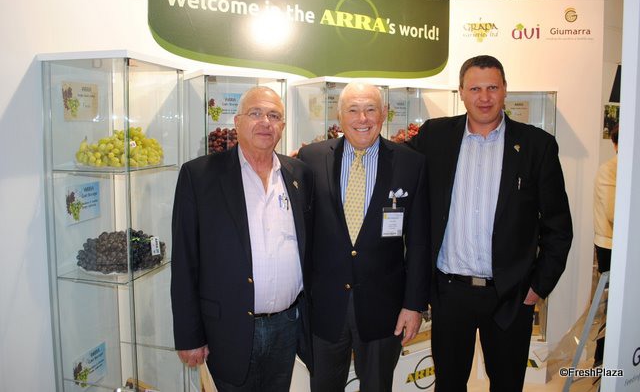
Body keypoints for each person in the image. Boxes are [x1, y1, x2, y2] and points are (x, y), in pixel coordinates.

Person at [408, 55, 573, 391]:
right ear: (461, 92)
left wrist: (538, 287)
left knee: (507, 384)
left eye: (492, 88)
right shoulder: (435, 136)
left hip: (510, 295)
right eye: (475, 89)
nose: (484, 97)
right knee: (449, 384)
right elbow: (394, 164)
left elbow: (558, 226)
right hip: (450, 293)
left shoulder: (536, 145)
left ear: (505, 90)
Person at [170, 86, 314, 392]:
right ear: (237, 122)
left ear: (282, 126)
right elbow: (184, 261)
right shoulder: (200, 176)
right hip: (227, 329)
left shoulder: (299, 174)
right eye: (255, 113)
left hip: (287, 326)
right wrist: (189, 336)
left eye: (274, 115)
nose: (265, 122)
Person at [297, 82, 429, 392]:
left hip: (384, 311)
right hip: (325, 309)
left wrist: (413, 305)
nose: (362, 118)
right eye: (353, 110)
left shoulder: (411, 163)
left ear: (384, 113)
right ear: (339, 115)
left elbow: (420, 242)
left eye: (371, 109)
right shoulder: (310, 158)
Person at [592, 124, 618, 366]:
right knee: (611, 308)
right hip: (611, 248)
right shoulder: (610, 170)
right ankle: (602, 364)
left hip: (622, 247)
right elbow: (614, 213)